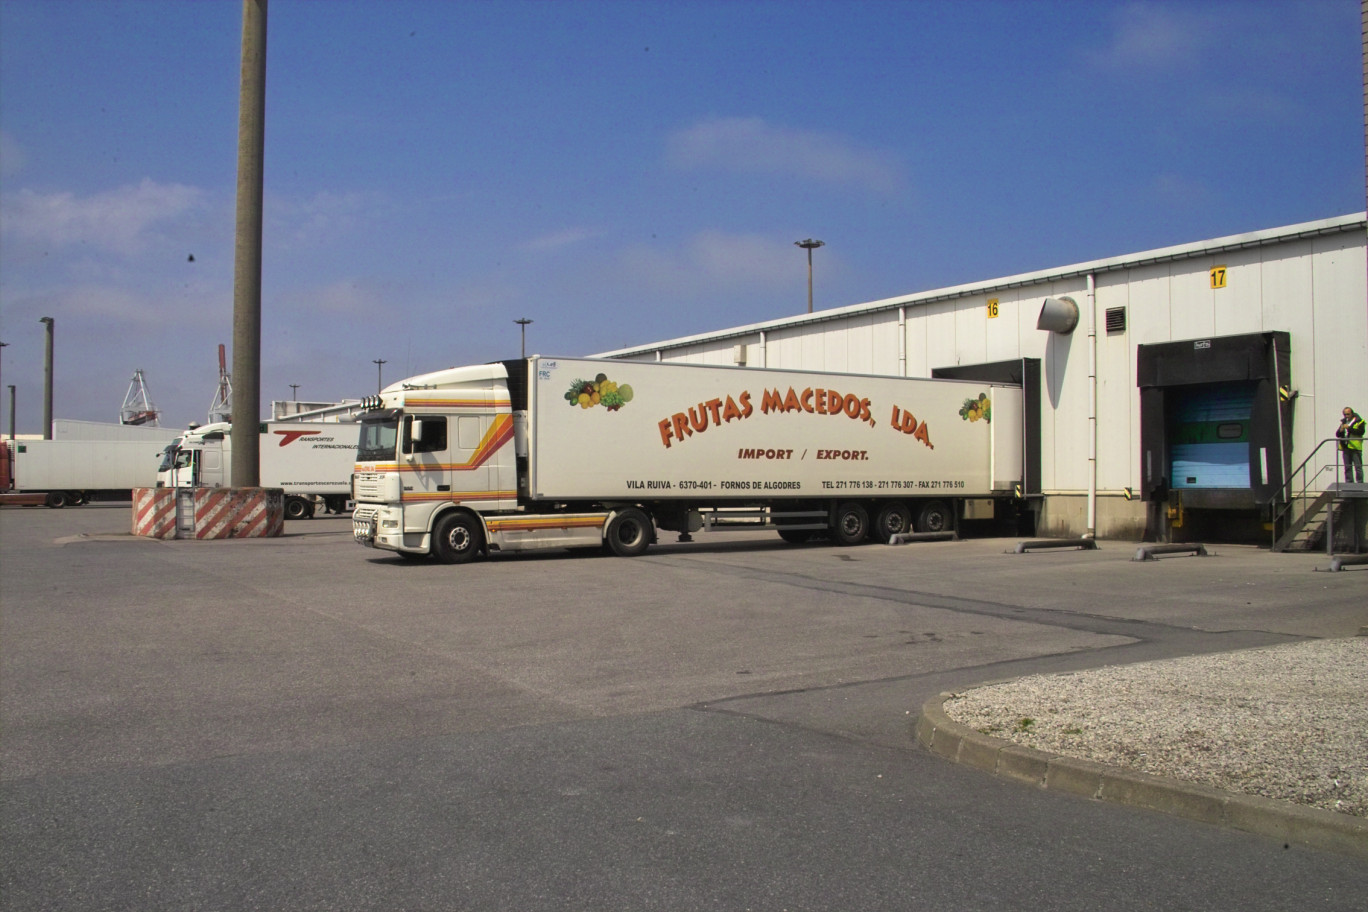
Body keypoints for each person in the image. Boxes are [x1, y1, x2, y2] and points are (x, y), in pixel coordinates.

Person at [1336, 406, 1365, 483]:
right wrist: (1341, 430)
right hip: (1346, 447)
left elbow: (1361, 432)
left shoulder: (1359, 421)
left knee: (1358, 467)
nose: (1346, 416)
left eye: (1348, 414)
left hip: (1355, 448)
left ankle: (1360, 483)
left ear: (1352, 413)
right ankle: (1349, 483)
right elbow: (1337, 434)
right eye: (1345, 414)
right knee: (1347, 467)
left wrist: (1349, 428)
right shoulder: (1344, 422)